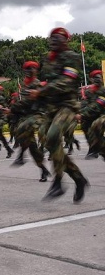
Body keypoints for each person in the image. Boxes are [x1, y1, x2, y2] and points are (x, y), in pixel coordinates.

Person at [29, 27, 89, 202]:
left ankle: (58, 181)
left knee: (54, 136)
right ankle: (79, 178)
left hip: (67, 106)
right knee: (49, 142)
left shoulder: (73, 57)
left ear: (66, 40)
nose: (53, 40)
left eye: (58, 37)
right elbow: (48, 82)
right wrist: (39, 92)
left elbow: (66, 82)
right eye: (51, 37)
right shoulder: (48, 60)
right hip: (51, 107)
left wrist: (42, 91)